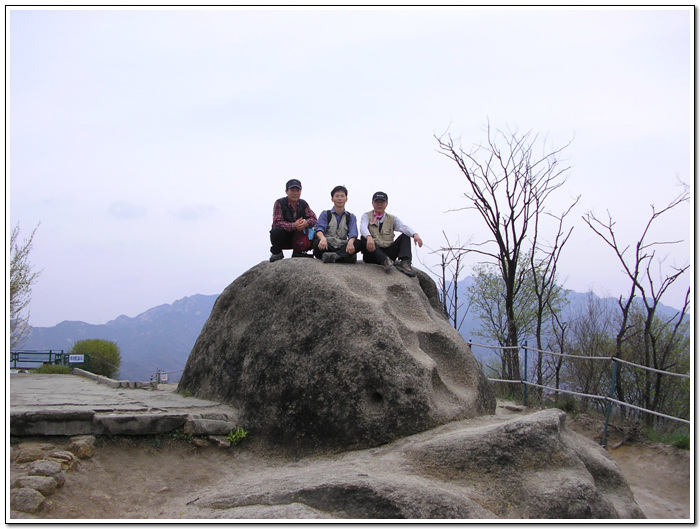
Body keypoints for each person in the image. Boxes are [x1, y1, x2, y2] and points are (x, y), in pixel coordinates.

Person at [360, 191, 423, 277]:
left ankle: (405, 263)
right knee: (363, 238)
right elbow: (363, 227)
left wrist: (415, 234)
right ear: (372, 203)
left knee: (405, 236)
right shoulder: (366, 216)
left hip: (388, 254)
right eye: (377, 202)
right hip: (372, 253)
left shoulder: (392, 219)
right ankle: (384, 260)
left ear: (386, 204)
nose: (379, 204)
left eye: (382, 202)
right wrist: (369, 237)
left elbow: (403, 227)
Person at [269, 179, 317, 262]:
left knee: (317, 232)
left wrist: (305, 223)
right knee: (276, 230)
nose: (295, 193)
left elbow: (314, 219)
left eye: (297, 191)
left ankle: (299, 252)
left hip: (299, 238)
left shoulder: (303, 204)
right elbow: (277, 222)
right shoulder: (280, 203)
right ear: (286, 191)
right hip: (285, 237)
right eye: (292, 190)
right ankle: (277, 252)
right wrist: (294, 225)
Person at [313, 185, 362, 264]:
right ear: (332, 199)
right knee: (316, 243)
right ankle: (344, 257)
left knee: (359, 243)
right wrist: (322, 238)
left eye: (342, 196)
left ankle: (335, 257)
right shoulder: (326, 214)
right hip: (328, 245)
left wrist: (350, 242)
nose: (340, 198)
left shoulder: (350, 216)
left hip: (342, 246)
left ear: (346, 199)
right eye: (337, 196)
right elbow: (319, 229)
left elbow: (353, 233)